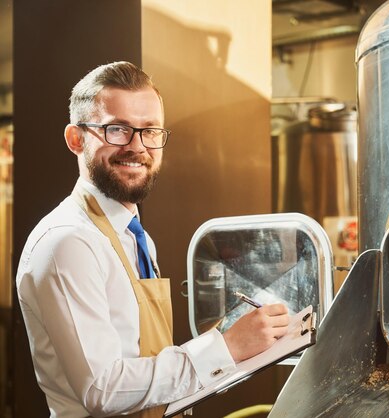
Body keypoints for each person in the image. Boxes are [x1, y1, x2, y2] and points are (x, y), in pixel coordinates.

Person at [16, 61, 290, 418]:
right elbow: (103, 388)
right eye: (117, 129)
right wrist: (226, 348)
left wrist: (237, 346)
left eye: (149, 131)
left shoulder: (133, 235)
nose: (137, 147)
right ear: (76, 139)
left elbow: (143, 360)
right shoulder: (69, 242)